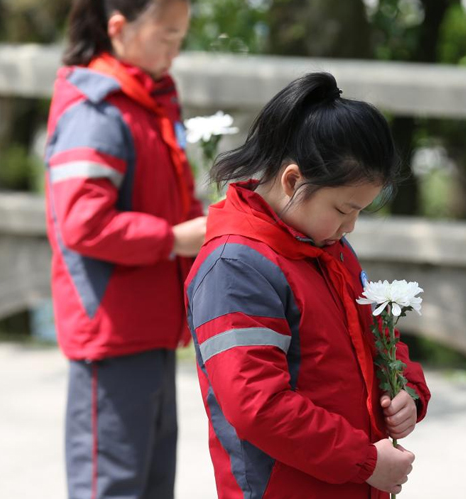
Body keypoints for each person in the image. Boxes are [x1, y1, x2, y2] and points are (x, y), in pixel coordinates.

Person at [184, 72, 431, 499]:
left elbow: (377, 337)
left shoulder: (326, 245)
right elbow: (258, 406)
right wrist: (367, 462)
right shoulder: (235, 267)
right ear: (294, 181)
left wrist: (407, 391)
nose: (350, 225)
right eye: (343, 209)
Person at [45, 0, 205, 497]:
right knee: (112, 486)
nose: (174, 52)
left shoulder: (146, 101)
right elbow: (83, 222)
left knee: (152, 484)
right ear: (118, 28)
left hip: (150, 323)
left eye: (181, 38)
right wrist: (176, 238)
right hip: (113, 329)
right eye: (165, 37)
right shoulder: (99, 109)